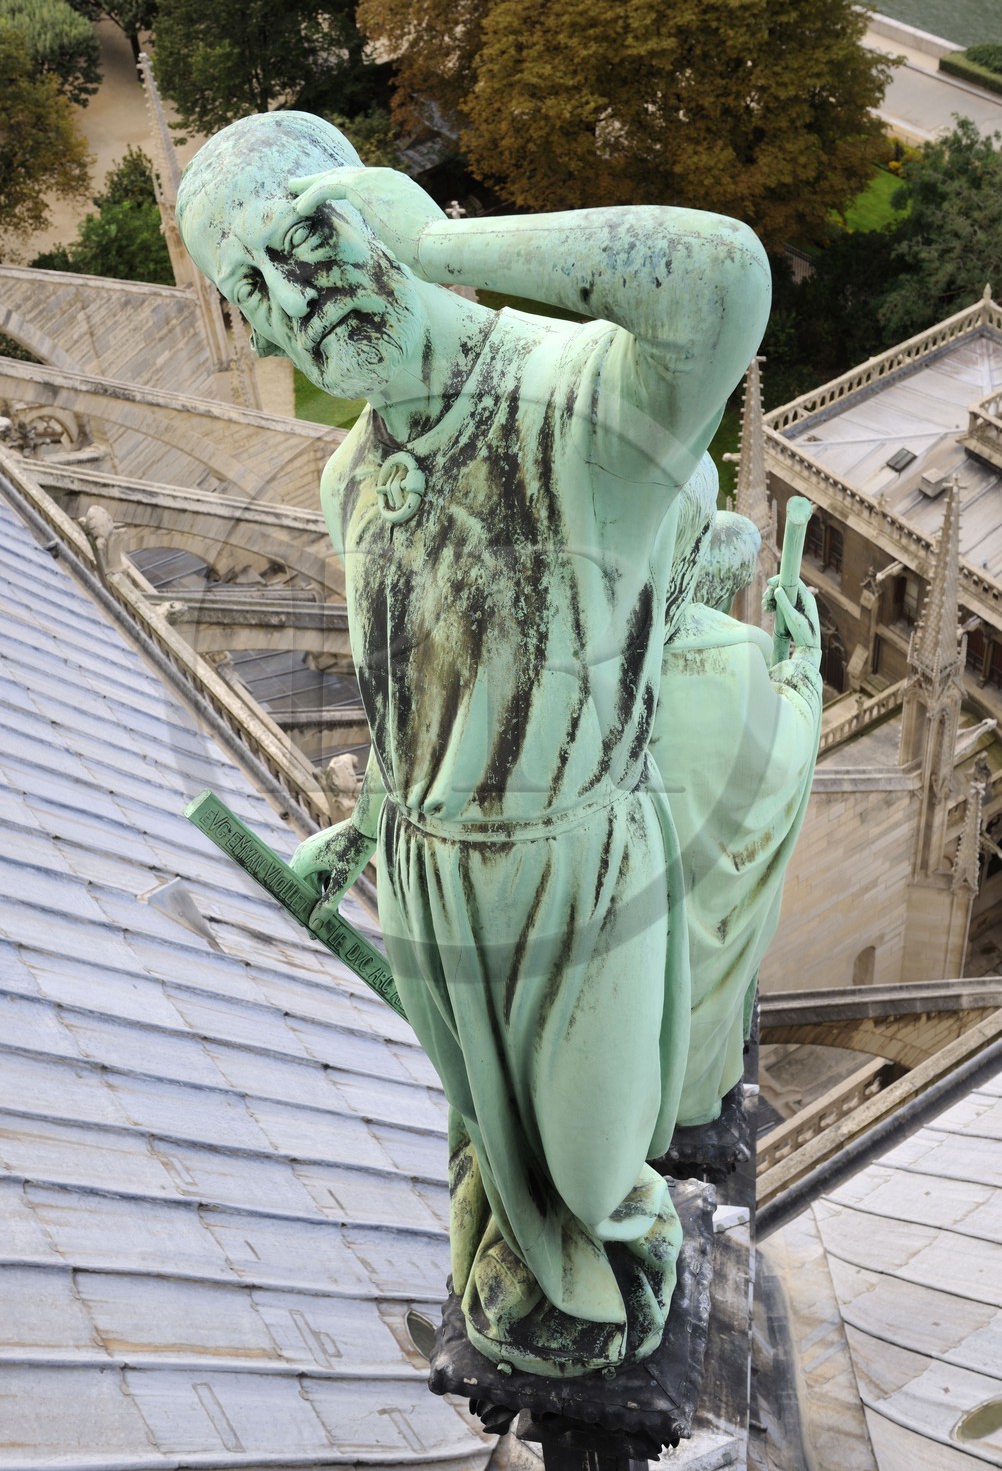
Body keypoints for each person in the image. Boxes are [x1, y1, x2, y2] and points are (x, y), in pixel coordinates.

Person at [176, 111, 771, 1377]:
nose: (297, 299)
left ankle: (616, 1285)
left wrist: (448, 237)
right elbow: (412, 676)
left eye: (309, 239)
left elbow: (723, 275)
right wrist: (377, 809)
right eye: (255, 289)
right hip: (433, 884)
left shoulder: (582, 394)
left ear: (377, 209)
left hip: (578, 873)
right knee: (498, 1168)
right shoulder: (351, 480)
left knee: (594, 1169)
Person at [651, 462, 822, 1131]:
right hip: (692, 935)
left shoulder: (602, 649)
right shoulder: (740, 656)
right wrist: (803, 669)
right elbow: (780, 766)